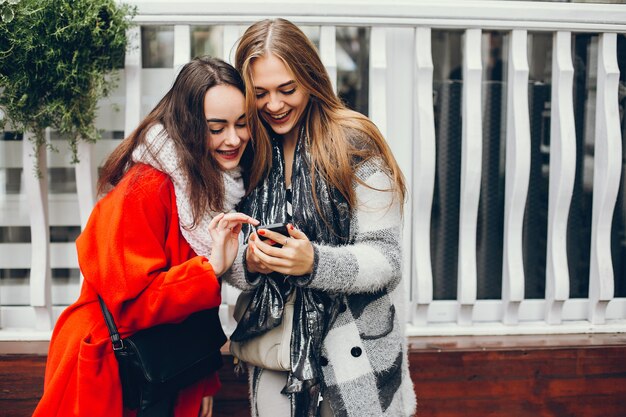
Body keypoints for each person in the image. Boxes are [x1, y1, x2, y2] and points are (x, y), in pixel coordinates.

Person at [32, 56, 259, 417]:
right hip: (113, 369)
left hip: (163, 369)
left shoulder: (211, 184)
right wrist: (210, 268)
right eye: (217, 128)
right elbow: (132, 304)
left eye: (242, 123)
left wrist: (201, 381)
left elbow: (191, 310)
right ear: (188, 126)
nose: (234, 139)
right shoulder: (145, 186)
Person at [224, 18, 416, 417]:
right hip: (276, 352)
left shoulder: (355, 144)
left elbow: (387, 260)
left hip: (354, 354)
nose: (274, 105)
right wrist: (252, 262)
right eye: (259, 94)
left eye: (286, 89)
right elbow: (231, 257)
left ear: (310, 79)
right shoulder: (250, 152)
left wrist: (315, 263)